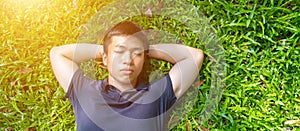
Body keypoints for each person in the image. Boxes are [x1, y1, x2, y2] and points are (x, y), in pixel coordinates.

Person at [50, 21, 204, 131]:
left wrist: (146, 51)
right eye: (119, 52)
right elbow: (58, 54)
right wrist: (104, 50)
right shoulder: (84, 91)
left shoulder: (156, 95)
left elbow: (194, 56)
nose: (127, 60)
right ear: (105, 58)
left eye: (136, 54)